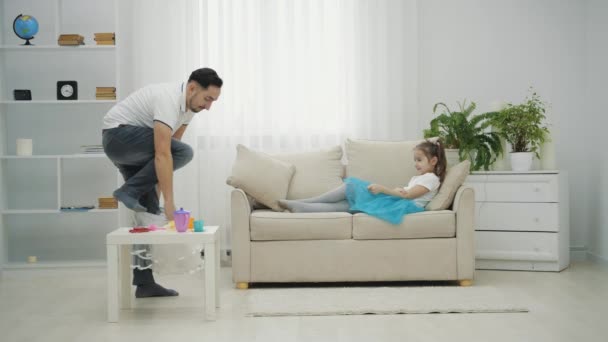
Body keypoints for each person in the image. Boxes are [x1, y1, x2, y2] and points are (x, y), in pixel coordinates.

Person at [102, 68, 222, 297]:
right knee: (186, 153)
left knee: (147, 213)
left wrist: (156, 190)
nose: (209, 107)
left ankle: (144, 283)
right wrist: (170, 202)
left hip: (134, 148)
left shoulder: (189, 111)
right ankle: (129, 190)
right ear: (192, 88)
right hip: (119, 138)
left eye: (213, 101)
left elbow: (167, 156)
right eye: (208, 99)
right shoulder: (167, 98)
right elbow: (166, 153)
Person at [279, 140, 446, 224]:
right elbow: (407, 191)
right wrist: (396, 189)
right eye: (415, 160)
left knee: (351, 187)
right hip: (397, 201)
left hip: (401, 206)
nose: (415, 164)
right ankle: (301, 207)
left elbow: (409, 195)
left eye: (419, 160)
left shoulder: (431, 179)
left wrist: (383, 189)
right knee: (348, 204)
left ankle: (303, 203)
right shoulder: (421, 178)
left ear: (433, 161)